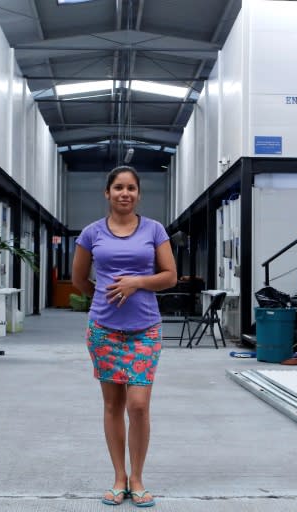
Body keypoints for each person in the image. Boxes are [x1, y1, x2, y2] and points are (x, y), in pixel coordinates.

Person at [72, 165, 177, 507]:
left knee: (139, 405)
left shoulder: (154, 230)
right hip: (103, 331)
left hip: (145, 330)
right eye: (118, 187)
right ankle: (120, 477)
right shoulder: (91, 233)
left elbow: (170, 276)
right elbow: (79, 280)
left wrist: (137, 283)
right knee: (113, 404)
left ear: (138, 194)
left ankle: (138, 477)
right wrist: (105, 297)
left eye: (131, 188)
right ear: (107, 193)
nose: (125, 193)